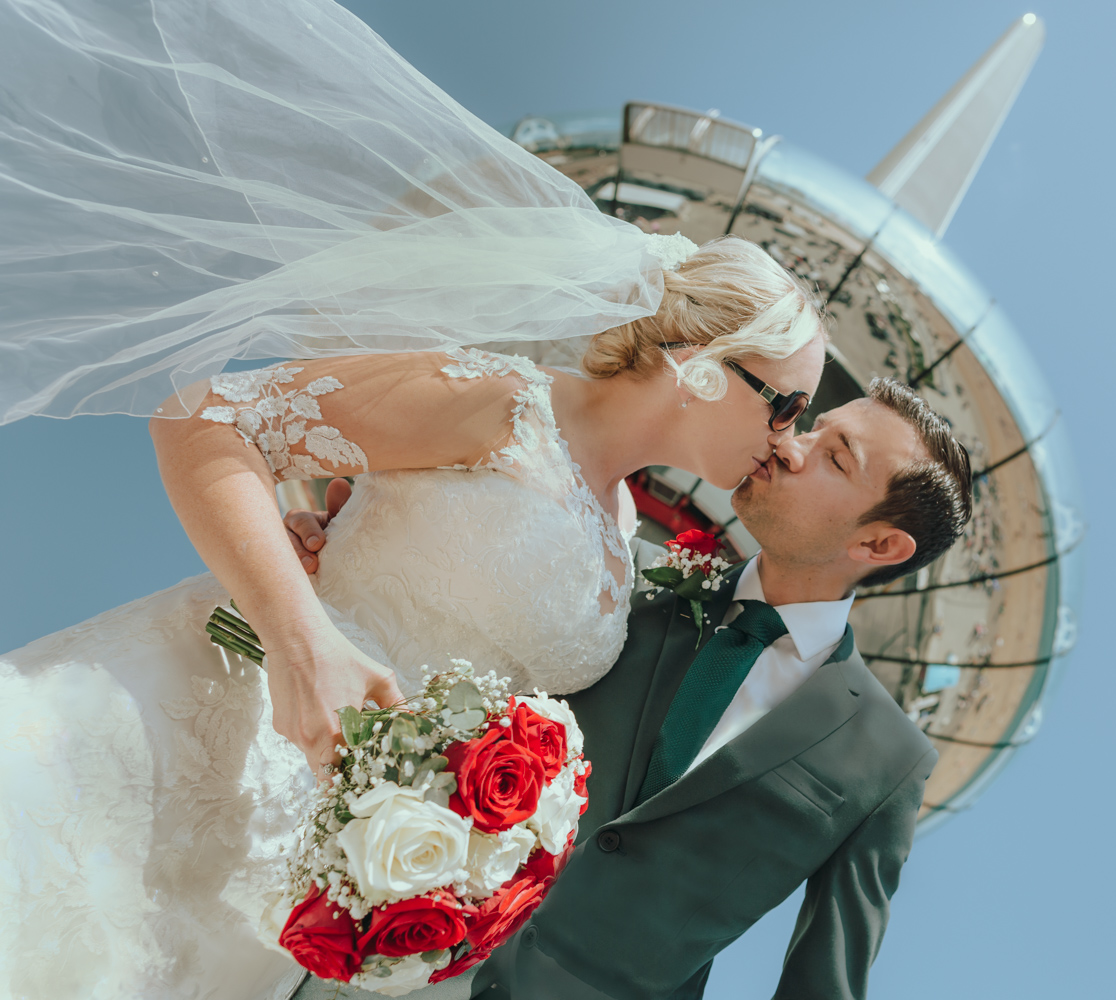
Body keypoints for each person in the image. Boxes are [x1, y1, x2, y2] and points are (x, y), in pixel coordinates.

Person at [0, 1, 828, 996]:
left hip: (300, 860)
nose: (787, 441)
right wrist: (303, 632)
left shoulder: (624, 543)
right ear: (703, 367)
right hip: (202, 709)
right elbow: (202, 417)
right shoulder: (498, 401)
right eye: (785, 405)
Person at [283, 379, 974, 1000]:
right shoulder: (616, 573)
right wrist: (350, 553)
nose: (792, 445)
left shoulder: (888, 758)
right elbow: (441, 661)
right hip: (397, 961)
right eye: (814, 427)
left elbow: (826, 981)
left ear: (880, 546)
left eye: (835, 457)